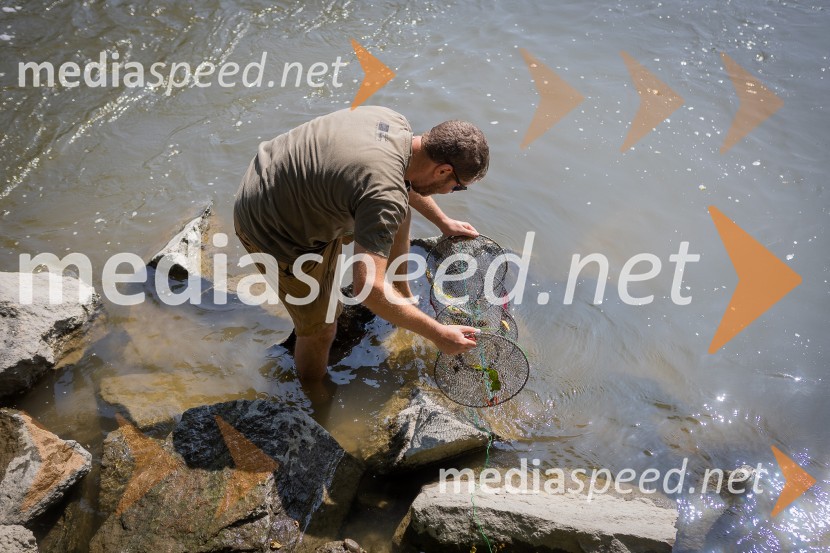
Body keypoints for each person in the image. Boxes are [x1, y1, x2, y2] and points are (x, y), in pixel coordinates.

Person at [233, 106, 489, 381]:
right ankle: (314, 397)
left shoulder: (394, 122)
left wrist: (442, 222)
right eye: (458, 186)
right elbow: (366, 287)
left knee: (399, 211)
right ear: (443, 170)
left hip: (269, 173)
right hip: (271, 226)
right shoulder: (384, 194)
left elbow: (395, 183)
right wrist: (437, 334)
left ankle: (399, 292)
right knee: (321, 328)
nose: (452, 192)